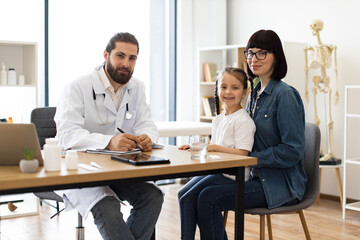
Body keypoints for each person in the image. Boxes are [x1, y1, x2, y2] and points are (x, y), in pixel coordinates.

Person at [54, 32, 164, 240]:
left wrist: (147, 136)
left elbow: (146, 123)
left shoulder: (136, 87)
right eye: (120, 56)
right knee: (107, 205)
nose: (126, 63)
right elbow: (66, 136)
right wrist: (108, 141)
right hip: (80, 171)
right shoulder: (77, 87)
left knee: (152, 196)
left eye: (132, 58)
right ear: (106, 55)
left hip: (118, 168)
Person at [177, 67, 256, 240]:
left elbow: (243, 153)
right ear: (217, 89)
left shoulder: (244, 121)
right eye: (224, 87)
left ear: (245, 92)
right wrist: (195, 146)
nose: (228, 92)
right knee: (183, 195)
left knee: (198, 197)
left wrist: (214, 148)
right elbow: (215, 147)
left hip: (233, 176)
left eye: (235, 88)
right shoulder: (218, 119)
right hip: (218, 172)